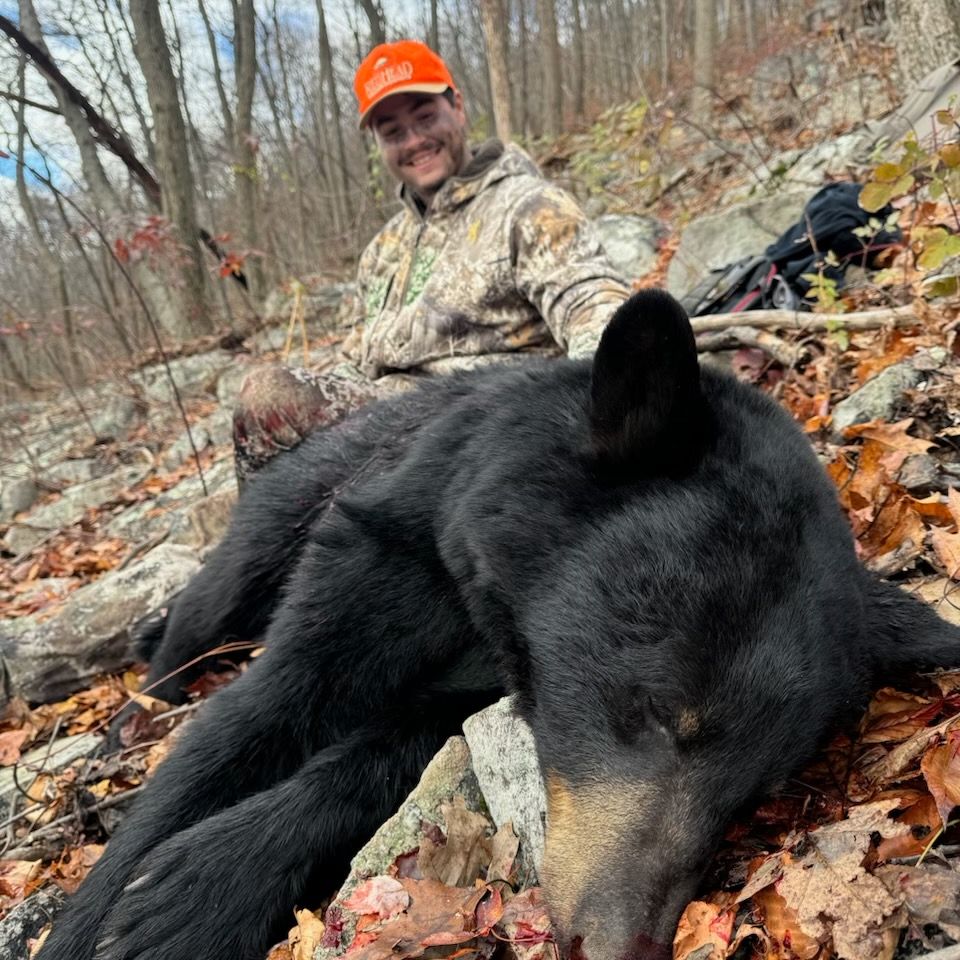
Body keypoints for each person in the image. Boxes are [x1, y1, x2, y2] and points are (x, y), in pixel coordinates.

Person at [233, 39, 631, 483]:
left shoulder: (529, 207)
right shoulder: (383, 250)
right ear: (379, 145)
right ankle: (280, 547)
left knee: (265, 396)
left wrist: (591, 416)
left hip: (485, 421)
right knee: (276, 406)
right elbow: (355, 360)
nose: (415, 141)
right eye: (394, 132)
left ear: (457, 108)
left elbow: (596, 305)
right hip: (388, 427)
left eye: (425, 117)